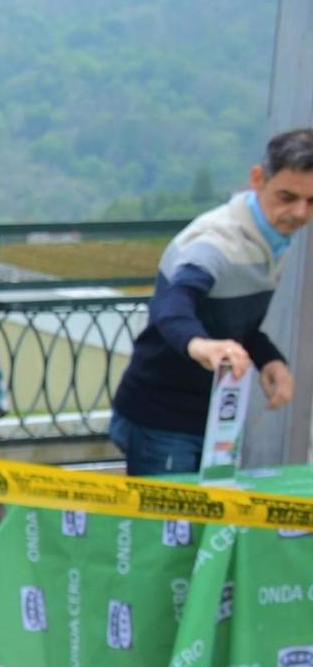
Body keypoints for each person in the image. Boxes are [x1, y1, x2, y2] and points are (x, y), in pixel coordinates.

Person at [110, 128, 311, 475]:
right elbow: (171, 307)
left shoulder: (273, 241)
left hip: (214, 418)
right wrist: (201, 345)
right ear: (257, 179)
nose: (299, 212)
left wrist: (270, 362)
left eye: (312, 201)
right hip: (162, 417)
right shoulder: (215, 241)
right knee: (169, 531)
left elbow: (234, 325)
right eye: (287, 196)